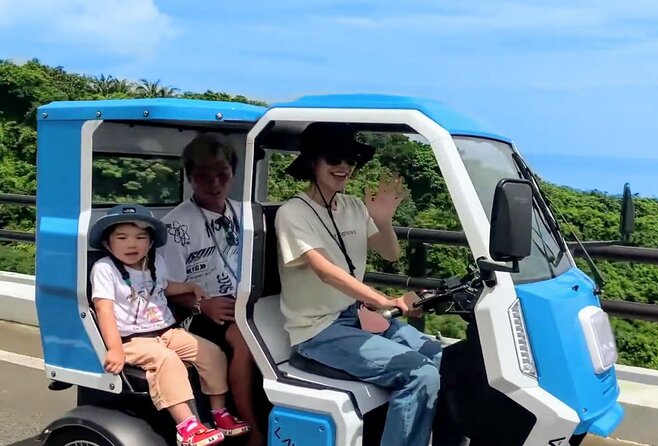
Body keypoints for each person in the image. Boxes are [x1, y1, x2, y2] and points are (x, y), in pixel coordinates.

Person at [275, 122, 444, 446]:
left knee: (438, 356)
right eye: (334, 158)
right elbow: (325, 270)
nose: (344, 167)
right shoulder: (293, 213)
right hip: (317, 330)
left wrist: (382, 220)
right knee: (418, 373)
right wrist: (385, 300)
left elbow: (390, 253)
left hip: (355, 318)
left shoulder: (352, 206)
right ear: (313, 161)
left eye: (350, 159)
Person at [88, 203, 250, 446]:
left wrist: (191, 287)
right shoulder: (105, 269)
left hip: (166, 331)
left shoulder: (154, 263)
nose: (132, 244)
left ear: (151, 242)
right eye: (121, 237)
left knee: (212, 353)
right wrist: (114, 349)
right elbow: (104, 310)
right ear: (107, 243)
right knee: (167, 360)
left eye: (140, 237)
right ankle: (187, 427)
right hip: (131, 340)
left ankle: (219, 413)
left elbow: (166, 286)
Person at [161, 134, 267, 446]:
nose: (215, 183)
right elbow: (167, 286)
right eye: (204, 177)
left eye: (222, 174)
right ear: (190, 178)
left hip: (245, 302)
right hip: (197, 310)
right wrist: (202, 305)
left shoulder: (246, 215)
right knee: (245, 339)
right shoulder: (175, 226)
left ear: (233, 173)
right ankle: (251, 427)